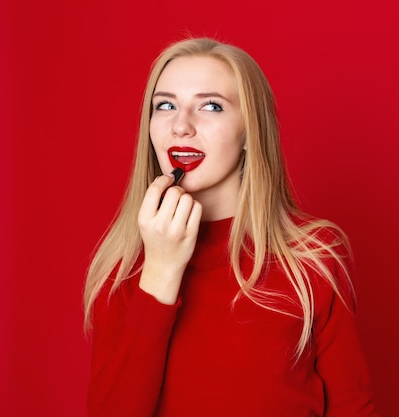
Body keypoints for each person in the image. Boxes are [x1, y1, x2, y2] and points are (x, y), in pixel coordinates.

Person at [83, 37, 379, 417]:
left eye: (210, 106)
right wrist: (159, 272)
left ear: (248, 131)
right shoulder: (122, 267)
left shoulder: (313, 258)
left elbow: (352, 407)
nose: (181, 126)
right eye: (166, 105)